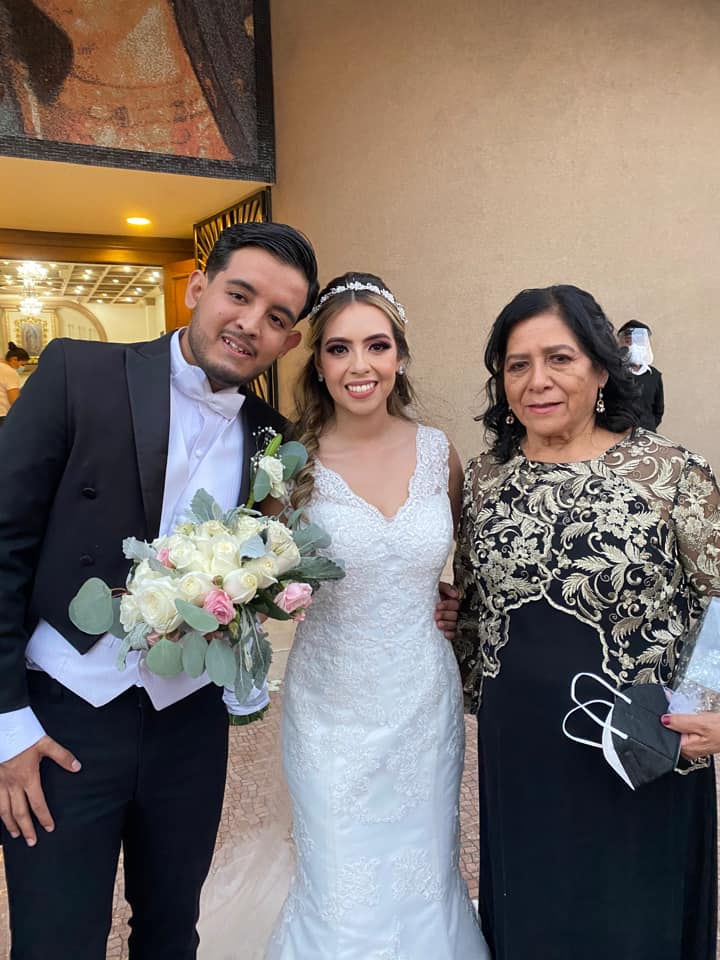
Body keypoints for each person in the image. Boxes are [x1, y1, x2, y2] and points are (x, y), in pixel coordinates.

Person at [0, 221, 319, 960]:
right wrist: (7, 726)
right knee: (56, 941)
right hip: (60, 718)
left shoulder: (275, 438)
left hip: (187, 724)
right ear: (197, 288)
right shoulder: (78, 371)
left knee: (173, 932)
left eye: (277, 319)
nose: (250, 325)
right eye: (239, 296)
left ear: (289, 343)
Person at [453, 284, 720, 960]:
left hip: (644, 747)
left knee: (632, 926)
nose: (537, 381)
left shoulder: (670, 474)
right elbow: (478, 606)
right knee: (536, 917)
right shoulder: (485, 479)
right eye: (517, 364)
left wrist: (713, 705)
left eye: (559, 359)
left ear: (601, 367)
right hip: (522, 755)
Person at [265, 274, 489, 959]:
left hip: (423, 701)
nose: (360, 366)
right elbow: (255, 575)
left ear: (399, 356)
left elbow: (459, 565)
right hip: (331, 707)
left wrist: (455, 603)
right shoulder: (288, 464)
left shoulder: (438, 454)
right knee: (342, 880)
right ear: (318, 362)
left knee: (424, 870)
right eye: (339, 349)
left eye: (377, 345)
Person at [617, 318, 664, 429]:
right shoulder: (615, 374)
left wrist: (647, 426)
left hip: (646, 437)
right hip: (618, 436)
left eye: (639, 341)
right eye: (629, 341)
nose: (634, 345)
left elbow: (658, 410)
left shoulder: (654, 376)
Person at [0, 342, 29, 426]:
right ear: (14, 359)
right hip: (3, 414)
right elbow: (14, 399)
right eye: (22, 364)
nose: (22, 368)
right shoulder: (10, 372)